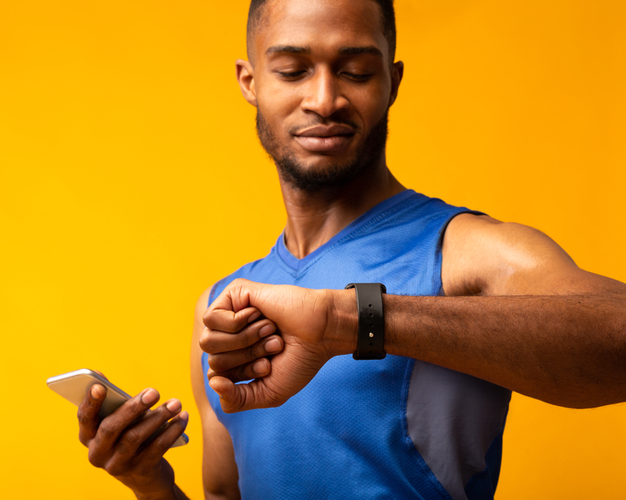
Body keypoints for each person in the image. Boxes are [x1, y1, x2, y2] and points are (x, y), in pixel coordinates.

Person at [75, 0, 626, 498]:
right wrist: (151, 484)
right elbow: (226, 494)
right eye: (292, 71)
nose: (324, 99)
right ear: (249, 81)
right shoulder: (219, 306)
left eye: (356, 71)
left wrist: (345, 319)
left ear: (392, 80)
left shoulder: (467, 251)